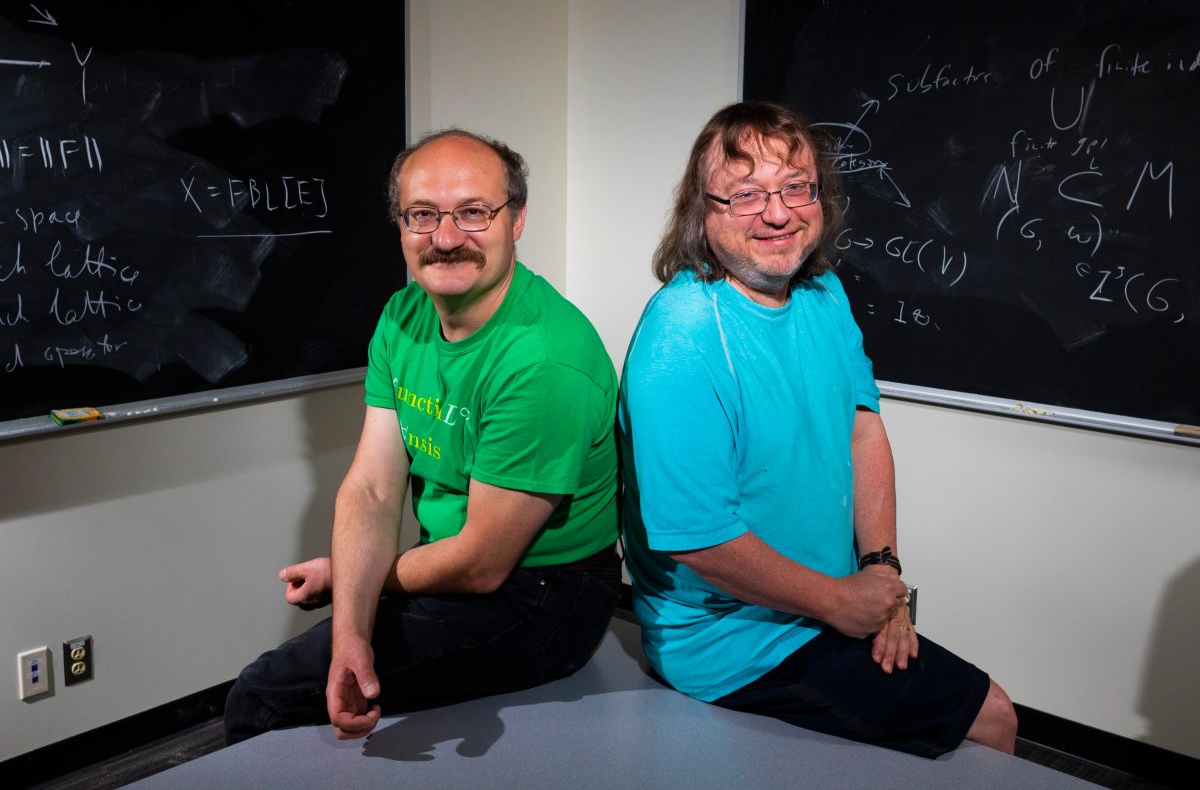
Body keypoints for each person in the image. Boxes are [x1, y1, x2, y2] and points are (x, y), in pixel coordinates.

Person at [618, 101, 1017, 759]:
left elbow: (863, 429)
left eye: (795, 188)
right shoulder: (682, 336)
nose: (778, 214)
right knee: (993, 717)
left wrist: (881, 574)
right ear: (703, 210)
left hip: (826, 602)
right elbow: (699, 541)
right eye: (745, 195)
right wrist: (838, 602)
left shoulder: (823, 291)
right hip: (732, 641)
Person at [225, 129, 621, 744]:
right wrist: (351, 629)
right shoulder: (403, 316)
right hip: (452, 562)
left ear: (515, 221)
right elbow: (373, 490)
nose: (445, 238)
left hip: (544, 593)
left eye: (473, 212)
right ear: (401, 225)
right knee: (313, 671)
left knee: (261, 697)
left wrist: (350, 576)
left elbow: (484, 565)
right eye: (422, 215)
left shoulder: (544, 361)